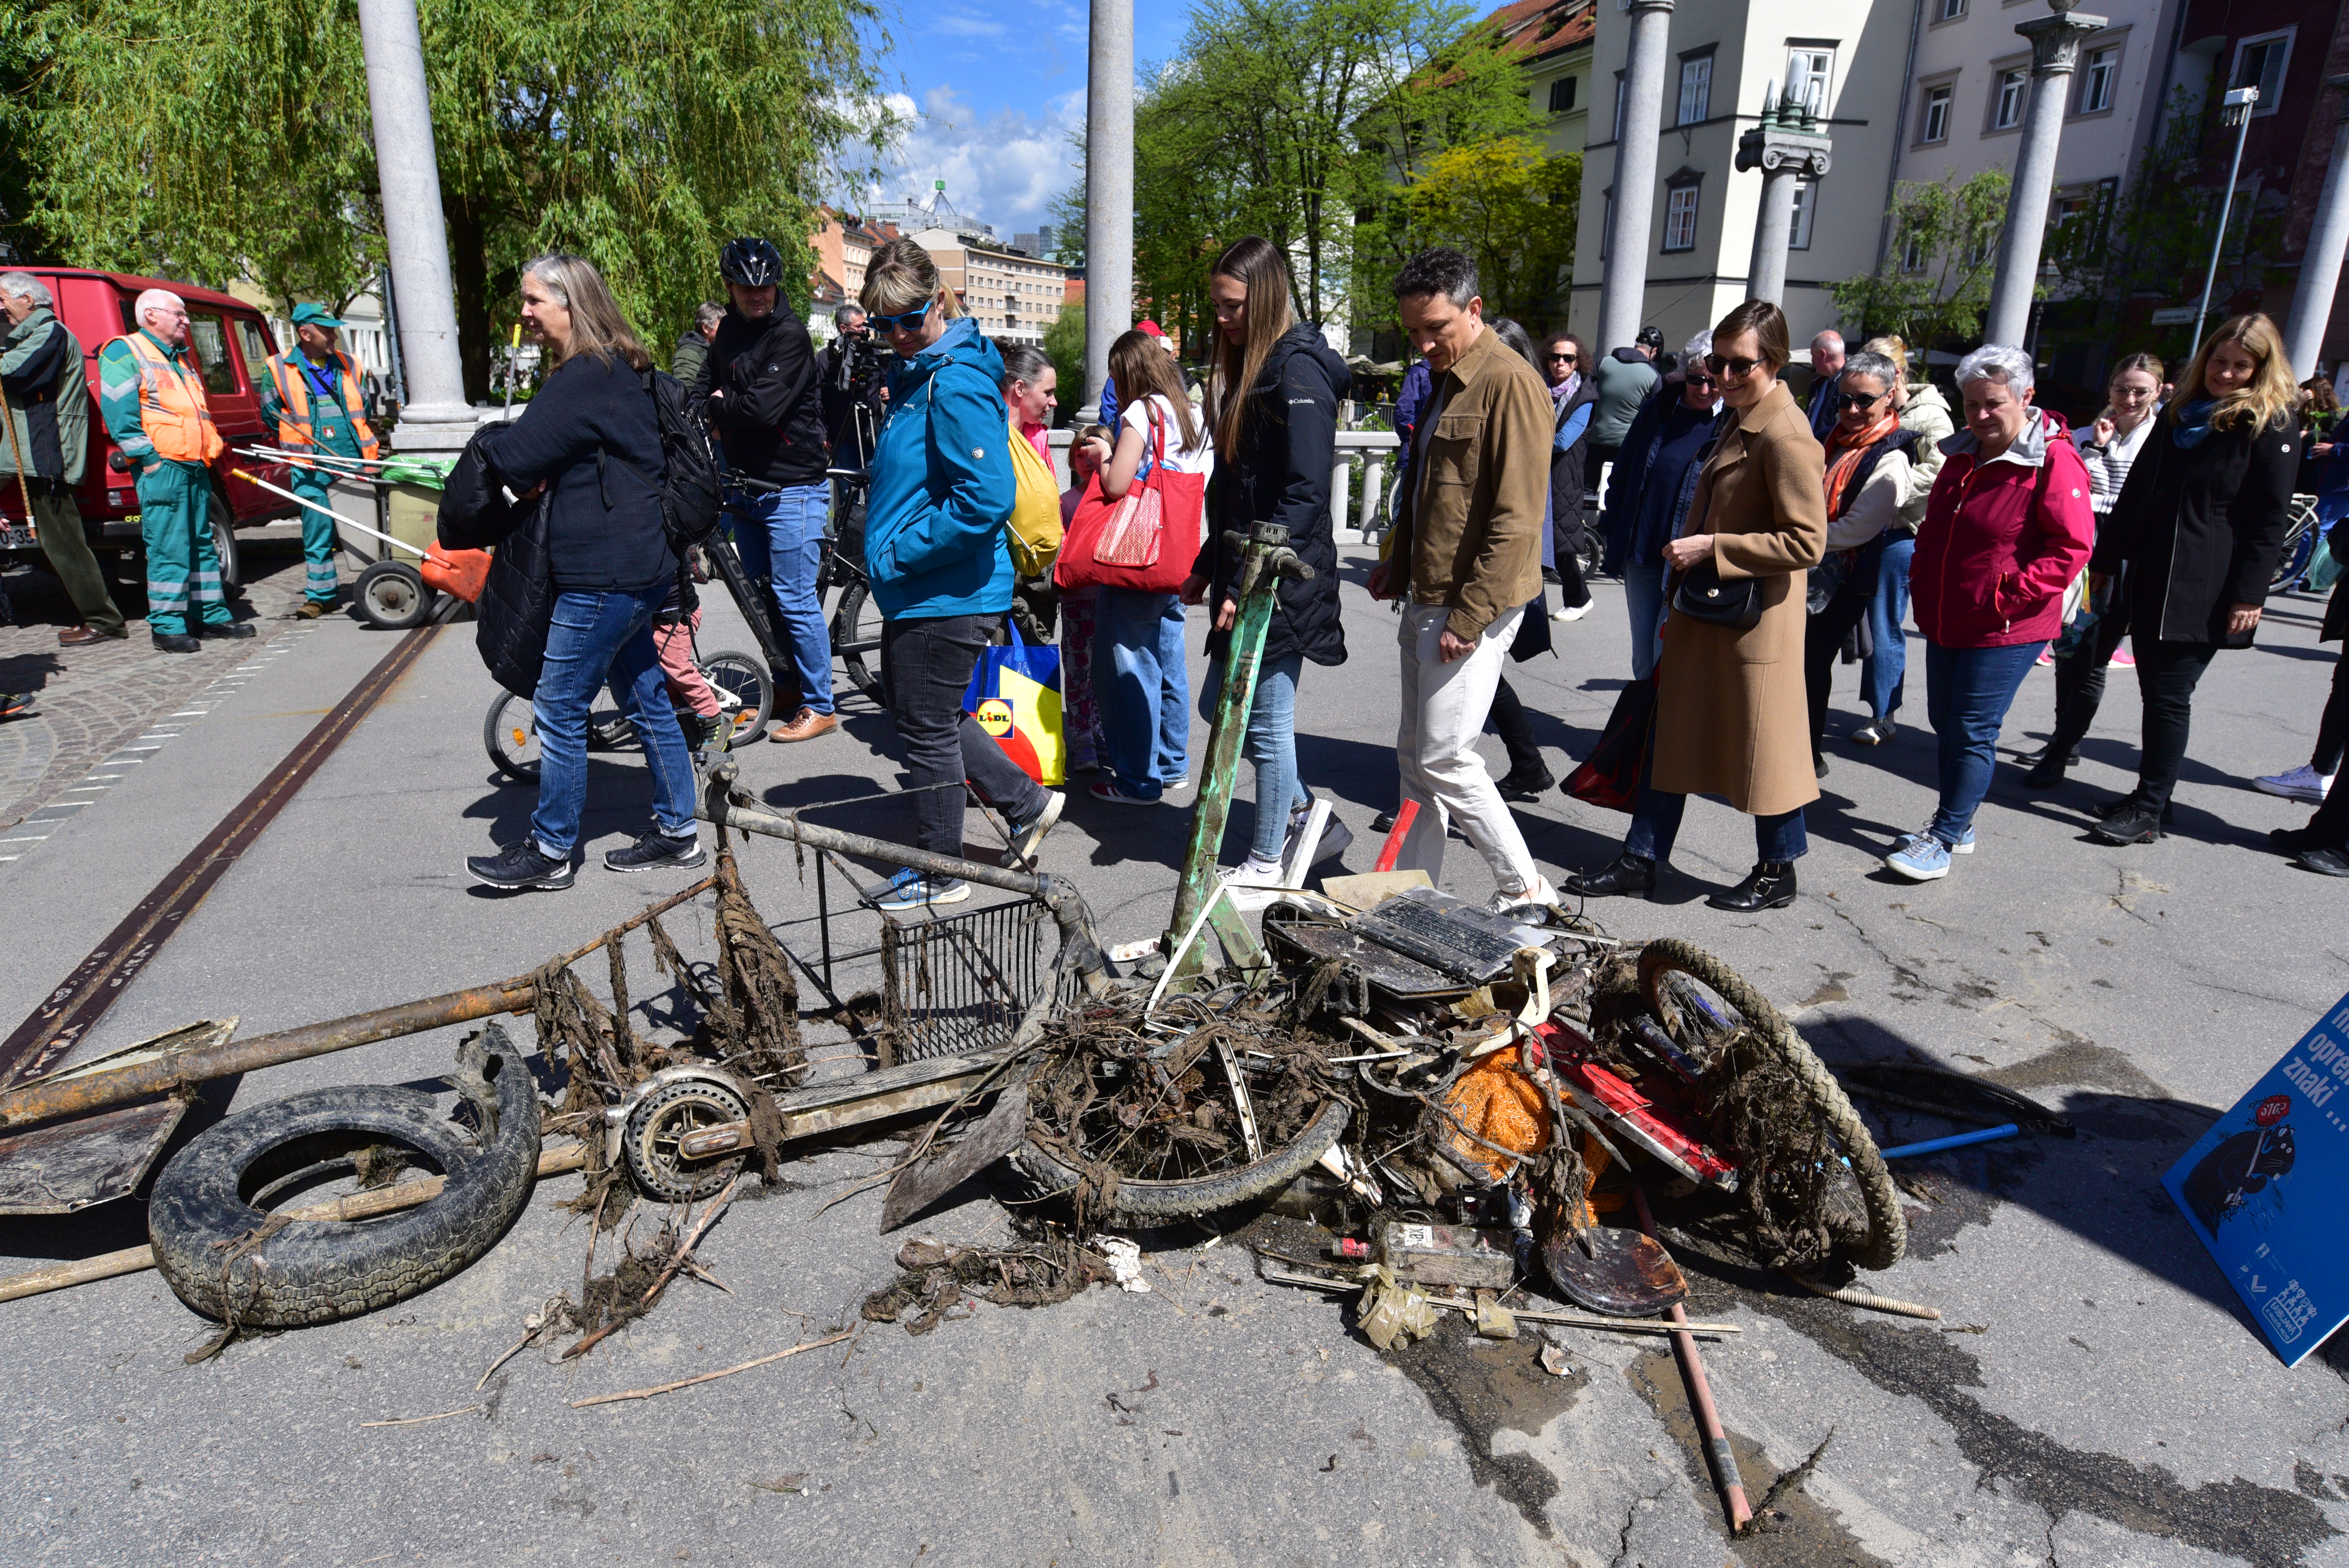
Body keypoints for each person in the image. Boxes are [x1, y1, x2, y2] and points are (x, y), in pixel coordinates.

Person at [1565, 299, 1825, 911]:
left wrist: (1716, 546)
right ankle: (1643, 858)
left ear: (1777, 363)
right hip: (1708, 611)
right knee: (1671, 736)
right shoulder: (1741, 417)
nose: (1726, 377)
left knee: (1764, 750)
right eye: (1718, 363)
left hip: (1751, 621)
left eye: (1742, 366)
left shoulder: (1786, 435)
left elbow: (1808, 541)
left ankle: (1777, 870)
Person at [455, 253, 702, 891]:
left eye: (535, 300)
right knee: (646, 698)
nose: (525, 313)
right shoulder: (624, 368)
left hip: (602, 575)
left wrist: (497, 445)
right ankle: (679, 832)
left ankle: (552, 849)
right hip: (640, 566)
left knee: (560, 704)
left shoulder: (582, 378)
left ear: (571, 303)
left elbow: (515, 456)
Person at [859, 237, 1061, 907]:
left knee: (924, 724)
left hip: (945, 588)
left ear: (938, 302)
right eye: (883, 323)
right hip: (935, 586)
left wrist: (900, 548)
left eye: (909, 319)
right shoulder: (928, 372)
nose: (898, 335)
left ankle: (943, 871)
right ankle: (1027, 804)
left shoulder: (954, 381)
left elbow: (985, 498)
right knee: (933, 715)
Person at [1366, 248, 1557, 911]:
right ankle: (1411, 893)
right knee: (1417, 759)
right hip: (1429, 592)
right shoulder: (1447, 377)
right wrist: (1401, 560)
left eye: (1436, 328)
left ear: (1474, 310)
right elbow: (1432, 491)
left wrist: (1468, 619)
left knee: (1446, 757)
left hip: (1468, 603)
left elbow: (1516, 520)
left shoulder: (1510, 382)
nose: (1423, 344)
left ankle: (1525, 887)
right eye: (1413, 331)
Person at [2085, 312, 2300, 845]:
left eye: (2241, 367)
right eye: (2220, 363)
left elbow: (2270, 517)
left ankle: (2150, 809)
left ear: (2261, 369)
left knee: (2168, 694)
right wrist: (2106, 561)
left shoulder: (2269, 421)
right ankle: (2154, 795)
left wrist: (2251, 594)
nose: (2226, 375)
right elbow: (2138, 491)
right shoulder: (2182, 413)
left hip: (2209, 582)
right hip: (2154, 573)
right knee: (2155, 689)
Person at [1884, 346, 2095, 880]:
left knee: (1973, 727)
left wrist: (2008, 595)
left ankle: (1946, 835)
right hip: (1949, 612)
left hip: (2007, 623)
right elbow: (1936, 526)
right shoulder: (1962, 453)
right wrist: (1923, 579)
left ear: (2027, 397)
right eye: (1971, 403)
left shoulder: (2052, 458)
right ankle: (1962, 817)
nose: (1979, 416)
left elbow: (2071, 547)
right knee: (1943, 722)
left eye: (1992, 404)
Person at [1182, 236, 1351, 884]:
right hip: (1250, 566)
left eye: (1231, 307)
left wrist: (1249, 582)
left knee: (1266, 720)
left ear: (1267, 296)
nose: (1220, 320)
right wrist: (1207, 562)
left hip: (1282, 575)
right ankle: (1308, 815)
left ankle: (1266, 860)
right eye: (1217, 307)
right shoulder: (1260, 368)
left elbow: (1304, 491)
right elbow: (1237, 489)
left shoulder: (1298, 371)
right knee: (1219, 710)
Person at [695, 236, 836, 744]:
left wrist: (718, 405)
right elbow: (707, 384)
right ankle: (789, 685)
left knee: (796, 600)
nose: (758, 296)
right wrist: (700, 402)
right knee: (763, 596)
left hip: (792, 487)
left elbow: (760, 410)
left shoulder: (791, 336)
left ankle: (820, 705)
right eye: (747, 288)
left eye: (766, 287)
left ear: (777, 284)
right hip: (746, 486)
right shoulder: (730, 330)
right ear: (730, 288)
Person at [2022, 353, 2161, 787]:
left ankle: (2062, 749)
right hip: (2083, 545)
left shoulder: (2162, 439)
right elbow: (2079, 487)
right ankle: (2066, 737)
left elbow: (2139, 498)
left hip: (2124, 554)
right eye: (2122, 388)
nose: (2130, 398)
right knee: (2070, 651)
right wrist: (2096, 448)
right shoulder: (2086, 434)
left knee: (2093, 656)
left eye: (2140, 390)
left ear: (2158, 391)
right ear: (2110, 388)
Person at [1088, 328, 1210, 807]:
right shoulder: (1196, 414)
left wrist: (1102, 457)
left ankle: (1138, 780)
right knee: (1168, 661)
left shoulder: (1142, 412)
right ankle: (1173, 763)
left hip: (1137, 557)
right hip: (1178, 555)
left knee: (1130, 668)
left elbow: (1118, 484)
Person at [98, 289, 249, 652]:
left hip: (193, 466)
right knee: (169, 547)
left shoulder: (179, 359)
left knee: (201, 544)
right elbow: (120, 417)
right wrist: (149, 461)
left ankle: (211, 615)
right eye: (179, 314)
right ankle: (167, 627)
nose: (186, 321)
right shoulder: (124, 351)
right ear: (151, 315)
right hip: (163, 467)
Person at [1802, 350, 1916, 772]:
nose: (1851, 409)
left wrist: (1789, 541)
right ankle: (1795, 752)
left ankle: (1806, 758)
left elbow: (1856, 529)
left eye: (1864, 400)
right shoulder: (1833, 440)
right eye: (1844, 399)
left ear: (1889, 398)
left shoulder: (1894, 457)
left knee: (1810, 667)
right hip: (1808, 571)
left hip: (1843, 581)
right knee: (1796, 667)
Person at [0, 272, 126, 645]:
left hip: (44, 458)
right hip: (30, 456)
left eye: (4, 298)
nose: (1, 307)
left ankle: (104, 621)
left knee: (66, 545)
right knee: (64, 544)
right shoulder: (32, 336)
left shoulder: (51, 334)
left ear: (29, 300)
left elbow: (15, 374)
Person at [1602, 333, 1721, 684]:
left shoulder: (1731, 423)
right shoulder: (1657, 411)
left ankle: (1660, 736)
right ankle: (1641, 732)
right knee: (1643, 659)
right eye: (1697, 379)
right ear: (1685, 374)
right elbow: (1623, 471)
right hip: (1642, 553)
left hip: (1688, 561)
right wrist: (1615, 521)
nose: (1704, 389)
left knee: (1664, 655)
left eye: (1714, 382)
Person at [1852, 334, 1949, 745]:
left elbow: (1941, 471)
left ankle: (1883, 715)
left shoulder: (1931, 415)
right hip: (1861, 530)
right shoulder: (1868, 410)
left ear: (1897, 377)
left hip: (1900, 533)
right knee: (1855, 622)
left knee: (1883, 623)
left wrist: (1887, 489)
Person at [258, 302, 380, 619]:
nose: (334, 336)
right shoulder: (276, 368)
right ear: (304, 333)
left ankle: (374, 587)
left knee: (365, 527)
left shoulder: (350, 364)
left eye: (333, 329)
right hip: (310, 464)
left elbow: (363, 409)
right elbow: (270, 414)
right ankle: (321, 595)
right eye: (326, 330)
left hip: (353, 458)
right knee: (317, 529)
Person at [1060, 423, 1113, 773]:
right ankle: (1082, 737)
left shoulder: (1118, 496)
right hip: (1078, 599)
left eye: (1091, 454)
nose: (1085, 461)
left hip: (1111, 598)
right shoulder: (1066, 501)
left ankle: (1102, 730)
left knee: (1107, 672)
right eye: (1079, 455)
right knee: (1079, 670)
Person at [1542, 330, 1598, 623]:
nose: (1560, 363)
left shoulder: (1584, 397)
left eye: (1568, 358)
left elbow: (1564, 441)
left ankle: (1579, 599)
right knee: (1542, 541)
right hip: (1542, 474)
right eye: (1555, 357)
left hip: (1565, 477)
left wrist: (1529, 441)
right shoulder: (1542, 389)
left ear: (1578, 363)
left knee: (1562, 544)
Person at [1587, 328, 1662, 481]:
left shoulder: (1604, 362)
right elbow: (1656, 415)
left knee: (1587, 490)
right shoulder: (1653, 376)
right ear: (1654, 351)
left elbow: (1584, 391)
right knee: (1617, 491)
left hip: (1596, 438)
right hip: (1627, 445)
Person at [820, 303, 888, 465]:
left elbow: (887, 383)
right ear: (844, 329)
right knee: (846, 487)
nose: (865, 330)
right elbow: (815, 400)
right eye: (859, 326)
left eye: (866, 325)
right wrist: (822, 434)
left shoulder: (875, 354)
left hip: (872, 433)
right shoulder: (826, 359)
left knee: (875, 487)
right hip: (842, 436)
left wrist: (889, 390)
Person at [1804, 330, 1847, 441]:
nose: (1812, 361)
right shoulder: (1817, 384)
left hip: (1830, 450)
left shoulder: (1849, 384)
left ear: (1823, 355)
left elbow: (1843, 426)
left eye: (1813, 356)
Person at [671, 301, 723, 388]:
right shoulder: (689, 354)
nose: (725, 332)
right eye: (721, 328)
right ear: (706, 328)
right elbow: (683, 391)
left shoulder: (714, 350)